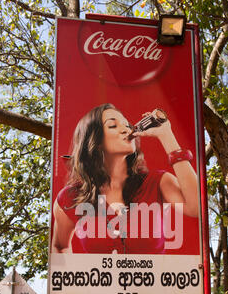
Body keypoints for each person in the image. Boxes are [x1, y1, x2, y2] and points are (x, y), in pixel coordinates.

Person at [51, 103, 198, 255]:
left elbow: (197, 207)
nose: (126, 129)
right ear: (94, 140)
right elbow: (59, 247)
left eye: (127, 125)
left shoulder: (158, 182)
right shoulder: (69, 198)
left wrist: (166, 134)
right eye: (113, 125)